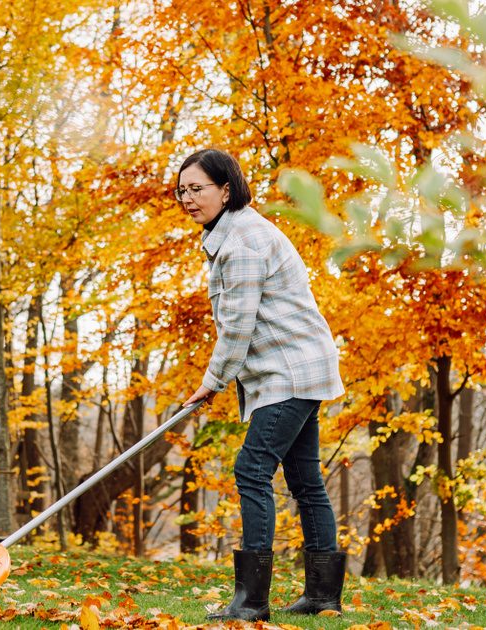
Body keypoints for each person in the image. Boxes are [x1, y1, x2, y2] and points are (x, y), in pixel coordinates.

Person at [178, 148, 347, 622]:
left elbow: (237, 327)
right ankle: (322, 597)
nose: (188, 198)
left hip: (290, 372)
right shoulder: (231, 234)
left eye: (198, 188)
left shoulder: (243, 242)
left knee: (252, 469)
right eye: (182, 190)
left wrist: (210, 382)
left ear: (226, 190)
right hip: (293, 370)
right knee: (305, 480)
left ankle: (251, 602)